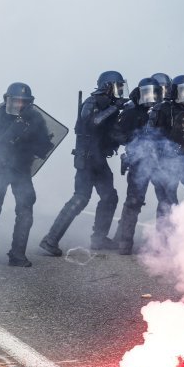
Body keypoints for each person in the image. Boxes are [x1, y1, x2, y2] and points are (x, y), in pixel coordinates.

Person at [40, 70, 126, 256]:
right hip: (87, 160)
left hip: (99, 159)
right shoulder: (91, 102)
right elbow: (92, 122)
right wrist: (115, 108)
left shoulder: (110, 104)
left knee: (109, 197)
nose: (120, 90)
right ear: (107, 86)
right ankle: (50, 239)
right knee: (80, 198)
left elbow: (112, 132)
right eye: (117, 86)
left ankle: (99, 238)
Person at [0, 82, 53, 266]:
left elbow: (44, 146)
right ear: (7, 99)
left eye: (23, 102)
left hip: (22, 169)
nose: (19, 105)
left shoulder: (35, 119)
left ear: (29, 103)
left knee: (25, 209)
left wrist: (33, 141)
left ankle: (17, 254)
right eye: (16, 101)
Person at [112, 77, 177, 255]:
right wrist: (133, 142)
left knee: (166, 200)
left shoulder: (164, 111)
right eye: (146, 93)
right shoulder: (132, 112)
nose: (150, 97)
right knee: (133, 202)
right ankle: (124, 244)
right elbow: (116, 133)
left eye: (153, 93)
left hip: (160, 162)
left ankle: (162, 244)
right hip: (139, 163)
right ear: (140, 94)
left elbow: (174, 134)